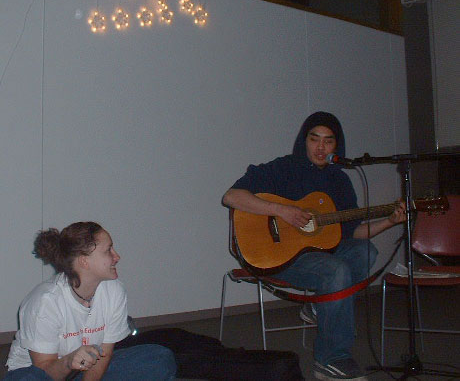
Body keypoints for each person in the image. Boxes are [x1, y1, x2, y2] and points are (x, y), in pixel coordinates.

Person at [222, 111, 406, 381]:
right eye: (314, 139)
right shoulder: (281, 169)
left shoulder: (339, 181)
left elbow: (354, 232)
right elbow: (231, 196)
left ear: (337, 146)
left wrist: (390, 221)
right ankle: (331, 359)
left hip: (320, 255)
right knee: (336, 271)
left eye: (328, 141)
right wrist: (281, 210)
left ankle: (319, 307)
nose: (321, 147)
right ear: (303, 140)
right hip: (280, 257)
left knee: (366, 251)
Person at [5, 222, 177, 380]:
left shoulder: (114, 290)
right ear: (84, 261)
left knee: (159, 358)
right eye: (108, 250)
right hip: (41, 372)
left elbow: (104, 354)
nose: (117, 256)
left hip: (84, 371)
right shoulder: (45, 302)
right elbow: (44, 371)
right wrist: (68, 361)